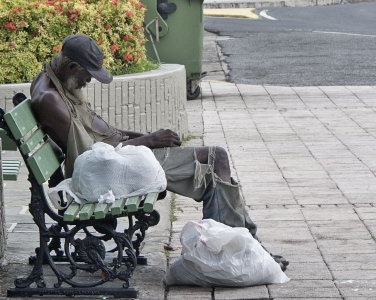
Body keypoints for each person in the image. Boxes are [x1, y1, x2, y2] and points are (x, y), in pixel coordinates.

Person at [30, 34, 288, 270]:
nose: (90, 81)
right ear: (73, 66)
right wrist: (149, 141)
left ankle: (239, 247)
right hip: (109, 174)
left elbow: (102, 132)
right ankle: (240, 250)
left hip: (119, 161)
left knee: (215, 170)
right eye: (90, 74)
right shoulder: (51, 99)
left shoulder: (58, 79)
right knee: (216, 158)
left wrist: (141, 137)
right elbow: (91, 160)